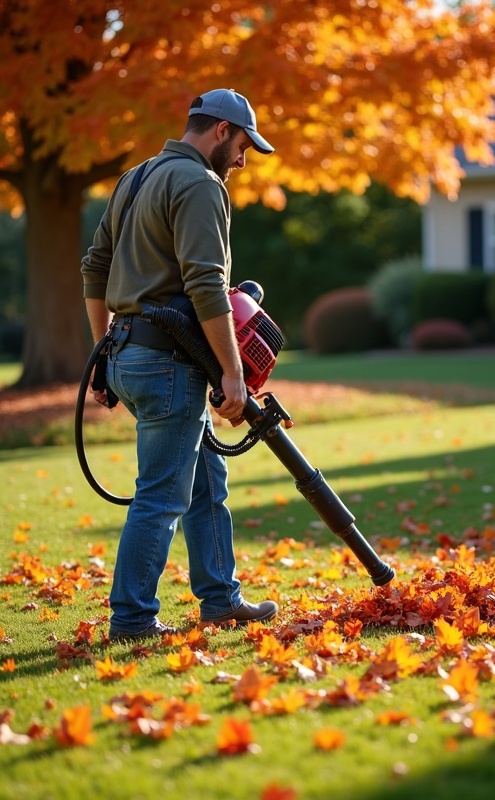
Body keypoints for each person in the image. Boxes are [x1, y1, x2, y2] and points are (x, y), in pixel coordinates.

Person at [81, 89, 279, 642]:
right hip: (167, 363)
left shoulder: (137, 176)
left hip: (128, 352)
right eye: (243, 146)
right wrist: (235, 373)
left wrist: (103, 354)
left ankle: (220, 598)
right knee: (163, 494)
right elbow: (206, 283)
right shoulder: (199, 183)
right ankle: (133, 619)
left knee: (205, 480)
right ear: (220, 130)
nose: (242, 160)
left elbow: (95, 267)